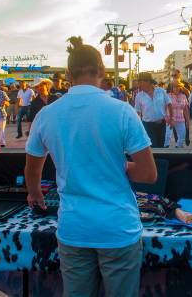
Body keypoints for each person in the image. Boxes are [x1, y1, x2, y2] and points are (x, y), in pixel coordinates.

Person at [25, 36, 157, 297]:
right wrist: (121, 165)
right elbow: (148, 174)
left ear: (67, 75)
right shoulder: (122, 111)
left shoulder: (47, 114)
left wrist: (36, 194)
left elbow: (32, 171)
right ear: (103, 72)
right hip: (118, 227)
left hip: (74, 227)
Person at [134, 72, 172, 148]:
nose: (139, 84)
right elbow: (137, 112)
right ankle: (155, 160)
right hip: (148, 125)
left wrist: (171, 118)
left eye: (140, 82)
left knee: (161, 145)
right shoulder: (139, 96)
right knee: (153, 146)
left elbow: (169, 104)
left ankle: (159, 160)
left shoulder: (161, 91)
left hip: (162, 124)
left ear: (148, 82)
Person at [164, 82, 190, 148]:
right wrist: (166, 117)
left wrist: (187, 120)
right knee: (167, 137)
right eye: (174, 87)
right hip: (169, 120)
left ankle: (177, 150)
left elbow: (186, 109)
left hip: (180, 119)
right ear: (171, 88)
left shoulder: (183, 96)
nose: (176, 88)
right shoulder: (167, 96)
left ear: (181, 87)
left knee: (182, 137)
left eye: (178, 86)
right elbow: (163, 107)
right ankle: (165, 151)